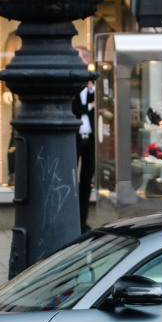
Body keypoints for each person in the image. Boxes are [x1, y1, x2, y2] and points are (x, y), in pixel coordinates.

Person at [72, 79, 96, 232]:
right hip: (76, 138)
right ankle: (73, 219)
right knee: (72, 177)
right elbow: (76, 109)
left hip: (90, 139)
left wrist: (92, 93)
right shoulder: (74, 93)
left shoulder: (91, 94)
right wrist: (89, 106)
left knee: (87, 180)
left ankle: (83, 220)